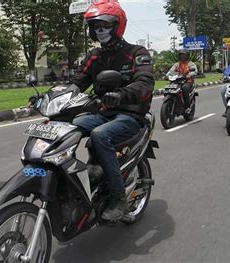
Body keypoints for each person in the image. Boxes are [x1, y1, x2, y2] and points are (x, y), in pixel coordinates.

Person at [70, 0, 154, 221]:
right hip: (102, 113)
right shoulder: (94, 56)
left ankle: (119, 198)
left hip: (130, 115)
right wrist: (51, 96)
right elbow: (77, 82)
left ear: (117, 26)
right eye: (95, 27)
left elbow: (145, 83)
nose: (100, 31)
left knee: (100, 135)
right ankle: (77, 177)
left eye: (105, 25)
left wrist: (120, 95)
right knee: (69, 127)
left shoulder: (136, 52)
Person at [165, 49, 197, 113]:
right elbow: (171, 71)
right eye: (181, 55)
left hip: (188, 81)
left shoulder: (191, 64)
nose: (182, 57)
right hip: (177, 81)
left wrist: (189, 75)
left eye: (184, 55)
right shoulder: (177, 64)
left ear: (187, 56)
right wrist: (166, 75)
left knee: (184, 88)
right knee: (168, 87)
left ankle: (187, 107)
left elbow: (195, 71)